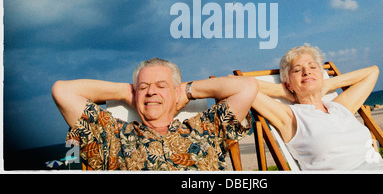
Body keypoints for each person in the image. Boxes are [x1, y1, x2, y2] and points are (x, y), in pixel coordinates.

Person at [252, 45, 383, 171]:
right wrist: (281, 90)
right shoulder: (291, 116)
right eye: (297, 70)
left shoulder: (339, 107)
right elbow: (237, 86)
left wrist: (326, 85)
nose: (307, 71)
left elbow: (372, 72)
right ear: (288, 83)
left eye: (313, 67)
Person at [52, 58, 257, 170]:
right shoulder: (112, 136)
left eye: (161, 86)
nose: (151, 91)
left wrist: (186, 91)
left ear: (176, 91)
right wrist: (126, 91)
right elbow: (62, 91)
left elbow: (247, 87)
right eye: (144, 87)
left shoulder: (205, 128)